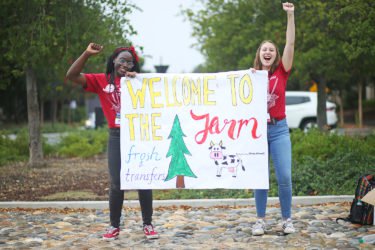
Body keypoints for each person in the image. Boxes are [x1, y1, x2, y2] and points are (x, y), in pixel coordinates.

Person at [66, 43, 159, 240]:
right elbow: (72, 75)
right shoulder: (102, 81)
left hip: (138, 135)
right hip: (116, 136)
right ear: (114, 61)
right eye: (122, 60)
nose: (126, 64)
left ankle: (148, 224)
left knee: (143, 179)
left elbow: (162, 94)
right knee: (117, 182)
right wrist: (86, 54)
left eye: (130, 62)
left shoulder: (140, 81)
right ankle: (114, 226)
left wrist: (140, 81)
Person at [250, 2, 296, 236]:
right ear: (259, 54)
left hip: (279, 130)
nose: (267, 52)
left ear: (276, 55)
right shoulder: (250, 77)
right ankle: (260, 220)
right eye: (263, 49)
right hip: (257, 131)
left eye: (271, 49)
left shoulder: (282, 72)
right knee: (260, 177)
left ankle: (287, 219)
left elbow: (290, 43)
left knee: (284, 176)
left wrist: (290, 15)